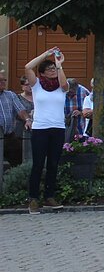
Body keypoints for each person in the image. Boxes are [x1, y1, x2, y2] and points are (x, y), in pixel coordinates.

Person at [24, 48, 70, 213]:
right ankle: (33, 198)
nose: (52, 71)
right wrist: (45, 55)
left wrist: (59, 65)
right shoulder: (37, 85)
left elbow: (64, 85)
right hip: (40, 129)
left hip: (57, 128)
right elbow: (28, 67)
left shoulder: (61, 85)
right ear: (42, 73)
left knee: (53, 164)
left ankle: (49, 196)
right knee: (38, 164)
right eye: (49, 69)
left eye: (53, 69)